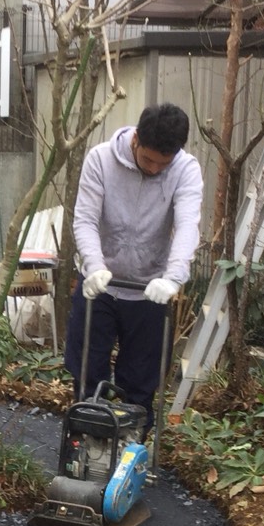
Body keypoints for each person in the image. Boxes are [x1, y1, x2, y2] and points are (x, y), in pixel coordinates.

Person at [65, 103, 203, 426]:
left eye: (162, 164)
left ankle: (132, 448)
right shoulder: (101, 159)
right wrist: (94, 265)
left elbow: (187, 225)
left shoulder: (185, 170)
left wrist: (173, 278)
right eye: (148, 160)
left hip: (149, 289)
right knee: (87, 375)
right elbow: (85, 219)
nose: (154, 169)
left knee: (140, 385)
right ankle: (85, 441)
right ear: (136, 139)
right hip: (98, 285)